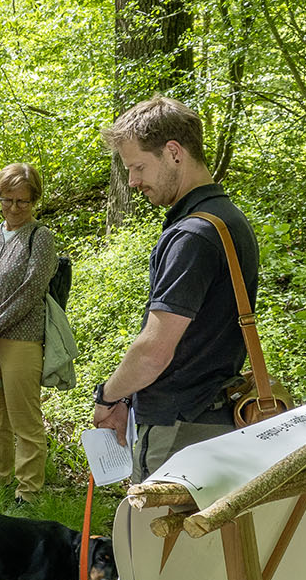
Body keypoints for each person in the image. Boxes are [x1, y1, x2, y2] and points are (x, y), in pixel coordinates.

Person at [94, 96, 259, 481]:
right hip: (214, 421)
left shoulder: (194, 236)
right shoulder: (227, 218)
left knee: (158, 540)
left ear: (173, 152)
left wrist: (109, 396)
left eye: (138, 167)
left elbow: (154, 351)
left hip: (181, 432)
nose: (133, 181)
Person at [0, 164, 59, 503]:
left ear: (34, 201)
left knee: (23, 415)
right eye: (8, 200)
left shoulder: (40, 238)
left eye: (23, 201)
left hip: (21, 342)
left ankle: (28, 490)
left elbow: (32, 290)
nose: (15, 208)